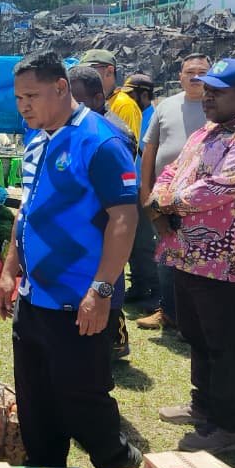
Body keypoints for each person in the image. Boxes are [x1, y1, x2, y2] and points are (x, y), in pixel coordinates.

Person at [0, 50, 143, 468]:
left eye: (31, 96)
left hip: (79, 300)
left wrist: (101, 290)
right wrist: (8, 271)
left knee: (82, 399)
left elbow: (124, 218)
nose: (23, 106)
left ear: (61, 87)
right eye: (18, 98)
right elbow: (25, 211)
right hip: (33, 298)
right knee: (35, 400)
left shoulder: (100, 141)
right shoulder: (36, 139)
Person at [149, 59, 235, 454]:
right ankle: (203, 405)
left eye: (217, 91)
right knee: (197, 336)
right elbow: (172, 170)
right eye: (206, 89)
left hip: (227, 260)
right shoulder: (207, 131)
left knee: (224, 346)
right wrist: (160, 193)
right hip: (188, 253)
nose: (207, 97)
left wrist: (163, 203)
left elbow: (218, 188)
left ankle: (229, 428)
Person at [137, 54, 210, 333]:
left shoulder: (217, 105)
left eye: (201, 72)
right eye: (189, 72)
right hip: (164, 195)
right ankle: (168, 311)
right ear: (180, 76)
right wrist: (147, 192)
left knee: (198, 259)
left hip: (203, 199)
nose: (195, 77)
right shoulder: (166, 106)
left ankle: (194, 319)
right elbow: (150, 150)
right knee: (166, 253)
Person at [79, 49, 156, 306]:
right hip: (103, 185)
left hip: (121, 185)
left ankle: (145, 291)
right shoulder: (105, 100)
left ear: (109, 71)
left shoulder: (123, 104)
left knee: (132, 241)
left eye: (92, 69)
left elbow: (125, 149)